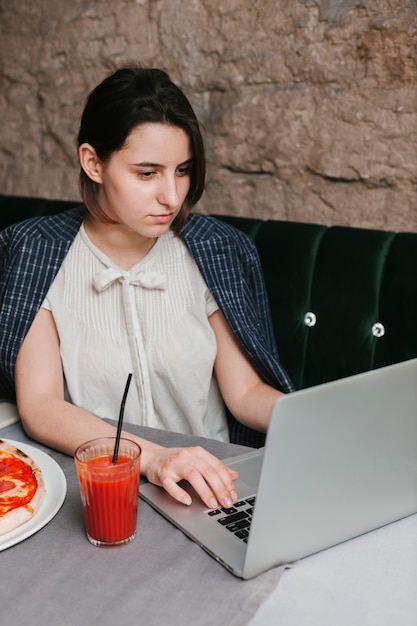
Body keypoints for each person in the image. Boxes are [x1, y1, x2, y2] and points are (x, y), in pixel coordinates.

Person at [0, 66, 294, 510]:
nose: (172, 196)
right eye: (147, 173)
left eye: (183, 170)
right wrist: (154, 459)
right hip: (100, 487)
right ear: (93, 163)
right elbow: (40, 405)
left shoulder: (216, 250)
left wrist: (322, 423)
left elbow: (246, 394)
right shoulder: (37, 253)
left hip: (212, 486)